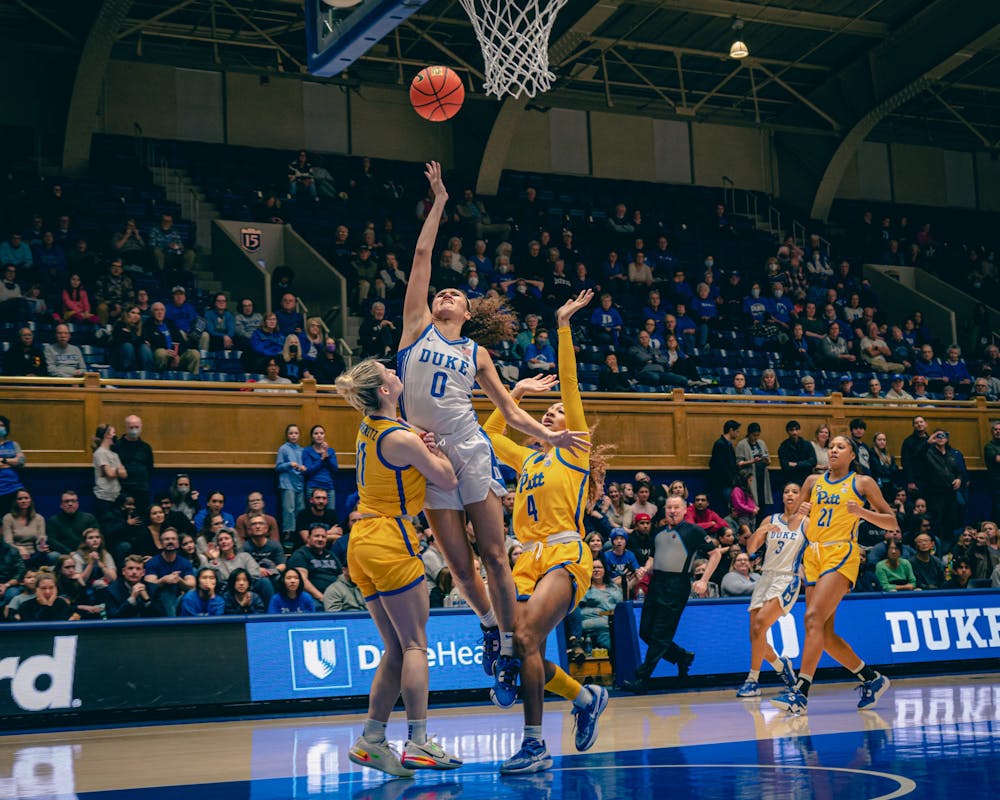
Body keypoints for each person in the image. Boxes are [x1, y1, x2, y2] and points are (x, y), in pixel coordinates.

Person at [396, 161, 588, 703]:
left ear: (465, 312)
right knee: (459, 565)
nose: (447, 294)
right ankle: (489, 625)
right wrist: (438, 200)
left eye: (455, 294)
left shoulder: (474, 351)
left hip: (468, 450)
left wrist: (550, 438)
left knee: (495, 556)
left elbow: (509, 408)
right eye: (443, 292)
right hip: (427, 455)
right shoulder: (414, 329)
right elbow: (421, 258)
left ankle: (508, 647)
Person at [481, 290, 610, 772]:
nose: (552, 411)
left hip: (565, 553)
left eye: (556, 410)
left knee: (528, 639)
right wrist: (514, 394)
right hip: (526, 558)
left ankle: (535, 745)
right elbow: (491, 437)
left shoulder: (573, 448)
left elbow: (571, 383)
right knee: (515, 648)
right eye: (547, 410)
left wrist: (562, 325)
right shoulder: (529, 457)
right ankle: (584, 698)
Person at [334, 357, 463, 778]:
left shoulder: (372, 426)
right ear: (386, 391)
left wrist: (415, 438)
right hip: (391, 538)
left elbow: (401, 439)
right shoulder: (399, 437)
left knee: (395, 647)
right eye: (388, 371)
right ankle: (419, 741)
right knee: (414, 645)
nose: (394, 371)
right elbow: (446, 479)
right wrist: (436, 449)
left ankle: (372, 740)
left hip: (362, 542)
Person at [771, 436, 898, 715]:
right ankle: (871, 679)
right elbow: (791, 522)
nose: (834, 450)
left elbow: (891, 522)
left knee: (812, 618)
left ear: (852, 454)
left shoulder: (862, 483)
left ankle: (801, 693)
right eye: (832, 447)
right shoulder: (812, 482)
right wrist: (799, 513)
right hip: (813, 556)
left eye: (841, 447)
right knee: (823, 634)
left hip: (841, 553)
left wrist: (862, 511)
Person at [622, 496, 722, 694]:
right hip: (656, 583)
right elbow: (653, 557)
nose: (672, 511)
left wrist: (703, 580)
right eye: (669, 507)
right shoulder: (658, 532)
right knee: (646, 632)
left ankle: (642, 678)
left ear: (685, 510)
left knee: (660, 634)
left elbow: (716, 554)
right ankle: (682, 656)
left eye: (676, 507)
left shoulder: (693, 531)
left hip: (677, 585)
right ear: (664, 510)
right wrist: (644, 569)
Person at [735, 483, 804, 698]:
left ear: (801, 496)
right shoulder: (770, 520)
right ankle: (781, 667)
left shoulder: (807, 522)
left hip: (787, 579)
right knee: (756, 634)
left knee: (759, 624)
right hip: (766, 577)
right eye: (786, 491)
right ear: (782, 497)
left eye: (794, 492)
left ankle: (753, 680)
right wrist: (762, 530)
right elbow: (751, 548)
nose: (790, 494)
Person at [143, 528, 196, 616]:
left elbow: (192, 585)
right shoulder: (152, 562)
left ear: (178, 543)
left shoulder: (184, 562)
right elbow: (149, 586)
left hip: (179, 599)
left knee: (192, 594)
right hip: (157, 602)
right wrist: (163, 580)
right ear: (161, 543)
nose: (170, 541)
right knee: (167, 591)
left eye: (173, 539)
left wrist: (179, 580)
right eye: (167, 539)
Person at [275, 424, 307, 542]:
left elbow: (305, 466)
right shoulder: (283, 448)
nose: (293, 436)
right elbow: (278, 467)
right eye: (291, 433)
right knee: (289, 510)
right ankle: (289, 534)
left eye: (296, 433)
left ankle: (300, 533)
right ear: (287, 435)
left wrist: (304, 468)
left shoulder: (301, 450)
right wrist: (289, 464)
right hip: (287, 483)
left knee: (300, 509)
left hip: (299, 482)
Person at [735, 422, 772, 512]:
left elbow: (768, 459)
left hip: (762, 476)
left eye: (758, 435)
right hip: (750, 477)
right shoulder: (742, 444)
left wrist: (766, 461)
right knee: (752, 500)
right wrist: (752, 461)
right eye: (754, 435)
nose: (756, 438)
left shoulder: (761, 443)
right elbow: (738, 463)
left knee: (762, 500)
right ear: (749, 433)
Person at [92, 423, 126, 520]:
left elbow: (124, 474)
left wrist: (116, 471)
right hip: (103, 497)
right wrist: (118, 471)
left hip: (116, 496)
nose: (115, 435)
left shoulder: (114, 455)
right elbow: (109, 474)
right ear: (107, 435)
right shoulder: (99, 453)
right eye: (113, 433)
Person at [12, 571, 77, 622]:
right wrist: (47, 605)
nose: (47, 592)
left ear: (56, 589)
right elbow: (36, 628)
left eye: (51, 588)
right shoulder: (26, 606)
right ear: (36, 589)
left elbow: (58, 625)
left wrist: (49, 603)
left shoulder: (62, 603)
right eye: (43, 588)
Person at [709, 420, 741, 514]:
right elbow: (719, 466)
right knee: (725, 508)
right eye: (737, 431)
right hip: (723, 483)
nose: (738, 434)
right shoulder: (720, 444)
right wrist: (730, 479)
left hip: (728, 482)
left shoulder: (728, 444)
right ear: (731, 430)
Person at [302, 425, 338, 502]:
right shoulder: (307, 450)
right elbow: (308, 471)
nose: (319, 435)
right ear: (312, 436)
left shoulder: (330, 451)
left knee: (330, 512)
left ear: (324, 435)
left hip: (328, 486)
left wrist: (327, 456)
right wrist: (321, 459)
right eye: (316, 433)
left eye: (321, 433)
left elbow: (335, 469)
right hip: (312, 486)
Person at [778, 420, 817, 488]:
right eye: (792, 430)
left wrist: (797, 464)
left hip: (805, 478)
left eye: (796, 429)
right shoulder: (783, 447)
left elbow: (813, 461)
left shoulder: (807, 445)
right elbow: (784, 465)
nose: (794, 432)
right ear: (787, 432)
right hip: (790, 479)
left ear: (800, 431)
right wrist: (804, 463)